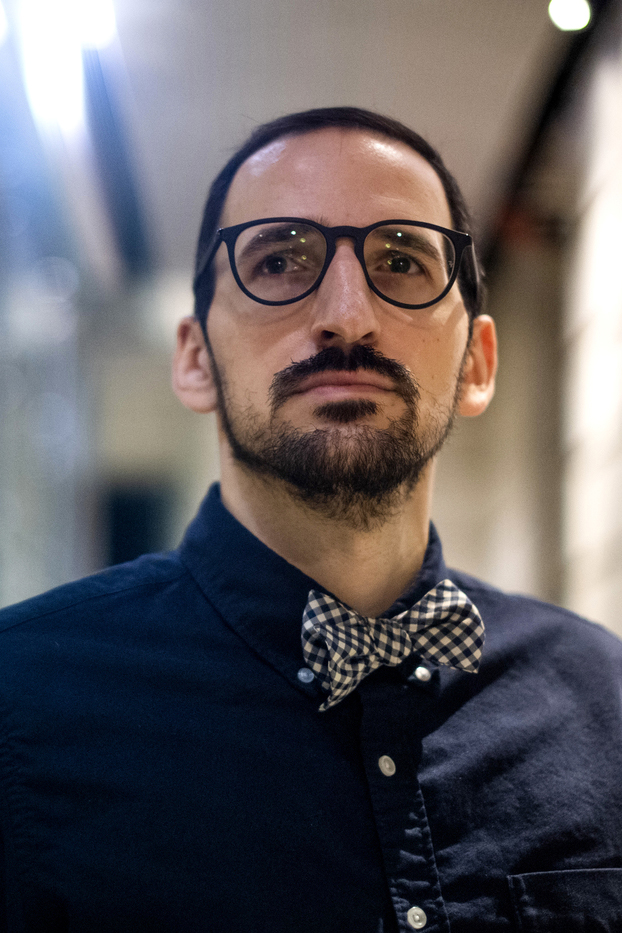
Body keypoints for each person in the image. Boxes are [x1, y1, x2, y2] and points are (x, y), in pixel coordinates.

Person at [0, 107, 620, 933]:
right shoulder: (21, 701)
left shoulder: (605, 700)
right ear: (195, 359)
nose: (347, 314)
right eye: (280, 259)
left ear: (476, 363)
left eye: (401, 261)